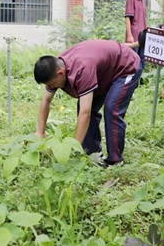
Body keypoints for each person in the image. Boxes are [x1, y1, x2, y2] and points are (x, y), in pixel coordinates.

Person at [34, 40, 142, 168]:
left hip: (125, 66)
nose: (51, 87)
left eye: (51, 84)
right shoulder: (56, 68)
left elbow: (85, 114)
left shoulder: (82, 69)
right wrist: (40, 132)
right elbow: (46, 100)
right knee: (87, 107)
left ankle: (115, 160)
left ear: (61, 73)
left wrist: (73, 147)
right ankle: (93, 152)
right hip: (103, 70)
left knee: (111, 108)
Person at [125, 0, 154, 78]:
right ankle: (129, 86)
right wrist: (129, 35)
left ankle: (135, 84)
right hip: (134, 37)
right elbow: (128, 18)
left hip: (143, 37)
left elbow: (143, 18)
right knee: (133, 63)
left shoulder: (142, 0)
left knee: (142, 62)